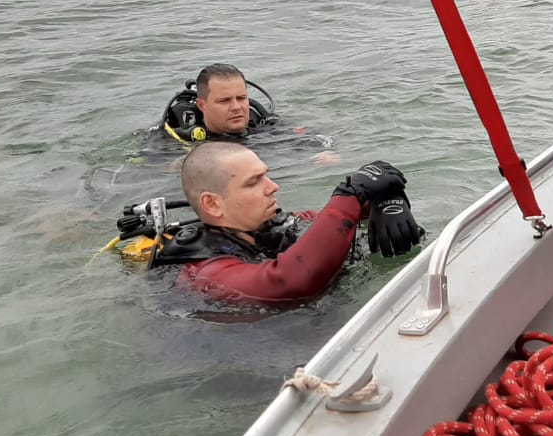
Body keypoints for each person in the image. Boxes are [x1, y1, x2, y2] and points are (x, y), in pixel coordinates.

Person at [153, 141, 423, 305]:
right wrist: (353, 192)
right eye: (253, 182)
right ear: (212, 203)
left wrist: (387, 198)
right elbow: (289, 281)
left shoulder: (272, 227)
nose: (273, 187)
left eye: (266, 176)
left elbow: (335, 224)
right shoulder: (204, 274)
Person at [160, 63, 274, 143]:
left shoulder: (258, 119)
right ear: (202, 105)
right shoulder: (175, 134)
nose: (236, 107)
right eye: (224, 101)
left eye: (241, 98)